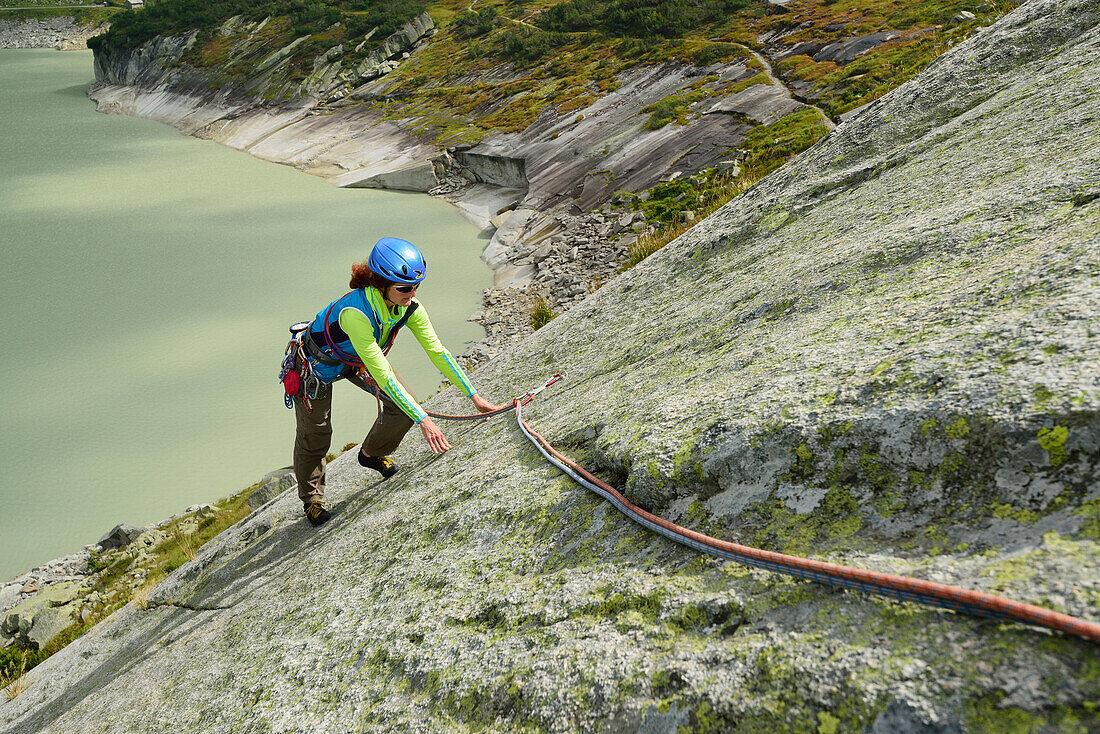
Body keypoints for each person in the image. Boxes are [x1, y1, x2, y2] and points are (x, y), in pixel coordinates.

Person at [289, 237, 502, 526]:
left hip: (357, 359)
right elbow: (384, 375)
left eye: (416, 286)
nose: (412, 294)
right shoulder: (356, 313)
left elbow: (437, 351)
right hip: (316, 366)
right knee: (316, 435)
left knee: (405, 406)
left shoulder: (408, 306)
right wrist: (424, 421)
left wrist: (474, 396)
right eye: (404, 288)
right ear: (380, 283)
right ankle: (312, 500)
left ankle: (371, 454)